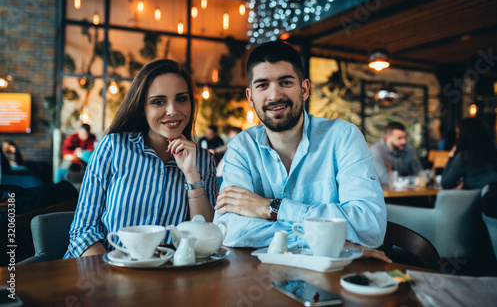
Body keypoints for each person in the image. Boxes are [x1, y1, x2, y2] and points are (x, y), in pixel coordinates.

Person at [214, 41, 388, 261]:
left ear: (304, 89)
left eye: (285, 82)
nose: (274, 95)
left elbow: (369, 226)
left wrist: (270, 208)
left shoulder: (342, 137)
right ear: (250, 97)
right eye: (262, 85)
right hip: (263, 280)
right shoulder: (241, 148)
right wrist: (332, 241)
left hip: (335, 280)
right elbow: (228, 230)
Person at [64, 59, 217, 258]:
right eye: (158, 101)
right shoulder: (113, 147)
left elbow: (205, 241)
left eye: (181, 99)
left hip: (167, 279)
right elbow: (83, 232)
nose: (173, 110)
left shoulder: (203, 160)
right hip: (100, 272)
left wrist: (191, 174)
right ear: (141, 107)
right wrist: (108, 280)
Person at [441, 118, 497, 190]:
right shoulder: (494, 153)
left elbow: (446, 183)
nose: (456, 136)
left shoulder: (464, 157)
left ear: (464, 135)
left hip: (480, 200)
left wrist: (451, 156)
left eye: (457, 133)